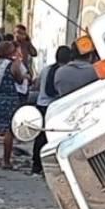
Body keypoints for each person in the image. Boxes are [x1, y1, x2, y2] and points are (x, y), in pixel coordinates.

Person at [32, 46, 70, 175]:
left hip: (41, 105)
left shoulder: (46, 69)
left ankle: (36, 165)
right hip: (55, 107)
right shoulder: (64, 71)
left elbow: (37, 85)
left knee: (40, 137)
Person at [0, 41, 26, 169]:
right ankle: (6, 161)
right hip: (10, 99)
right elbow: (19, 79)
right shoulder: (12, 64)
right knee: (9, 130)